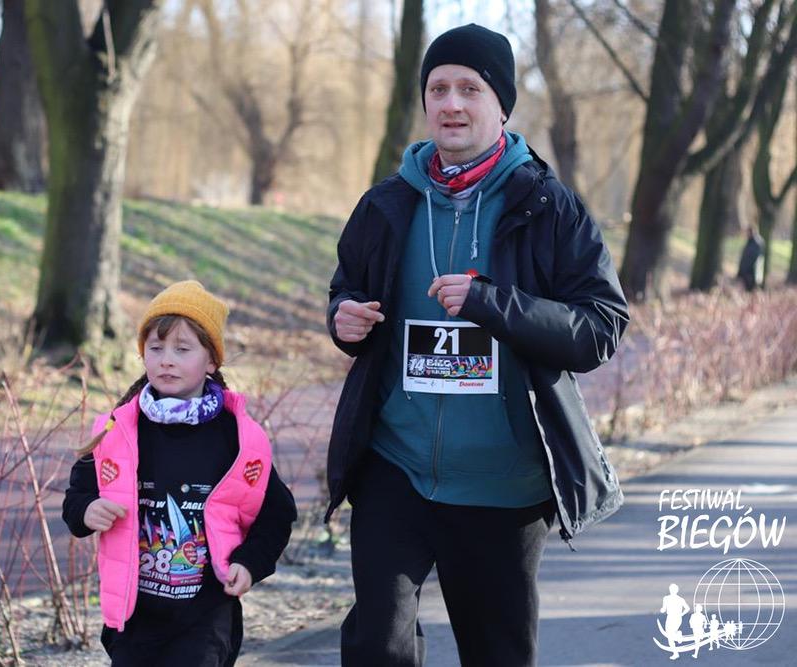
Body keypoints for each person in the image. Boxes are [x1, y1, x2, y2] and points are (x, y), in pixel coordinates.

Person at [325, 24, 629, 666]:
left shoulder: (549, 207)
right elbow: (346, 287)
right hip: (396, 468)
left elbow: (600, 326)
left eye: (470, 89)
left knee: (497, 655)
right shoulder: (386, 204)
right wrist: (342, 318)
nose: (452, 104)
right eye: (438, 89)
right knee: (376, 645)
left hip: (503, 484)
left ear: (502, 105)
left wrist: (493, 303)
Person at [63, 280, 297, 666]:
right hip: (135, 618)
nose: (166, 360)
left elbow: (277, 513)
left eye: (182, 349)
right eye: (155, 348)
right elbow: (77, 499)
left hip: (205, 617)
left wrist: (249, 563)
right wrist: (88, 511)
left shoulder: (237, 439)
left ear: (211, 361)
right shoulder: (119, 431)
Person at [661, 584, 691, 660]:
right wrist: (681, 614)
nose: (672, 590)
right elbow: (664, 608)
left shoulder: (670, 598)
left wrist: (681, 614)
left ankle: (678, 635)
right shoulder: (669, 598)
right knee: (669, 635)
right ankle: (676, 651)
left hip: (674, 617)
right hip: (673, 617)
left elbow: (687, 608)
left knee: (670, 636)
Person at [737, 226, 765, 291]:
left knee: (751, 289)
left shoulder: (757, 243)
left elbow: (756, 259)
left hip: (751, 272)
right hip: (745, 271)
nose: (747, 234)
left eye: (748, 232)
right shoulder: (749, 242)